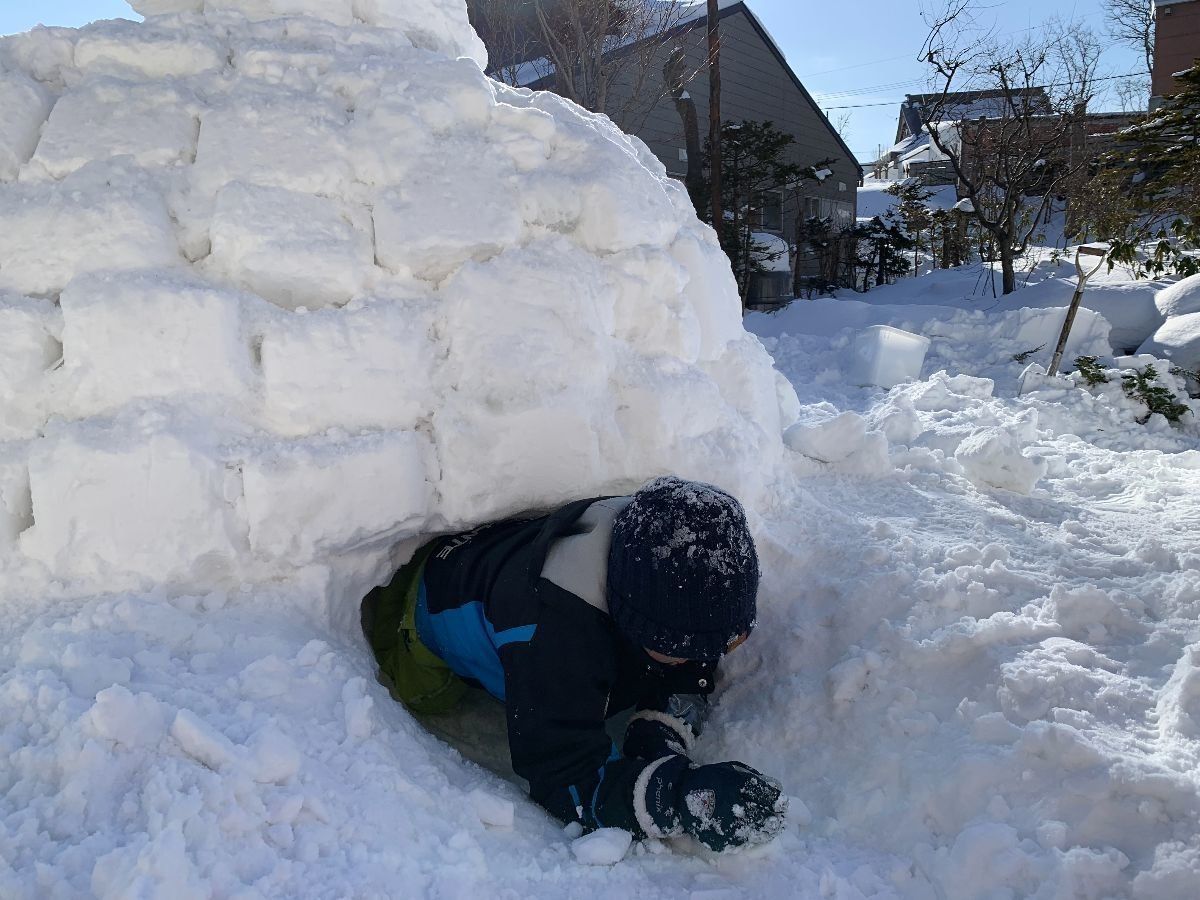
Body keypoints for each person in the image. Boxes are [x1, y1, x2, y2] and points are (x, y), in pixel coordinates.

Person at [361, 475, 787, 851]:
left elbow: (686, 660)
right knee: (427, 697)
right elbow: (565, 779)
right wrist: (677, 796)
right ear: (631, 618)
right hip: (418, 613)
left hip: (502, 558)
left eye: (726, 643)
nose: (702, 660)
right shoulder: (553, 636)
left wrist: (659, 740)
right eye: (680, 646)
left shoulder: (650, 543)